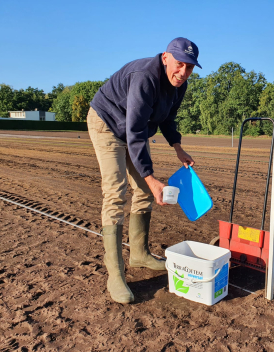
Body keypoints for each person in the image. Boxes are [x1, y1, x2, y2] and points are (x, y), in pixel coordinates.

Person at [87, 37, 201, 304]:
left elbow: (167, 118)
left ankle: (139, 254)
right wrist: (150, 178)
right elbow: (136, 132)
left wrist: (177, 146)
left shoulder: (178, 85)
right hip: (107, 123)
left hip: (132, 129)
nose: (183, 72)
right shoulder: (145, 78)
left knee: (144, 192)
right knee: (116, 192)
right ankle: (115, 274)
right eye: (179, 64)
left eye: (190, 67)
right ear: (165, 57)